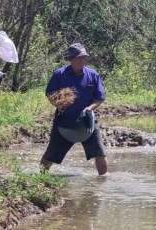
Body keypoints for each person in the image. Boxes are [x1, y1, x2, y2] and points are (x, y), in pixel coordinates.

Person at [40, 43, 108, 175]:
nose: (82, 60)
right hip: (64, 121)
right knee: (51, 154)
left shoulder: (93, 75)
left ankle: (102, 181)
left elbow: (99, 98)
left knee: (99, 152)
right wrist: (60, 103)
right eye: (79, 57)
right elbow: (50, 95)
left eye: (84, 57)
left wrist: (90, 108)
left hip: (87, 121)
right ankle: (41, 179)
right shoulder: (59, 74)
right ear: (71, 59)